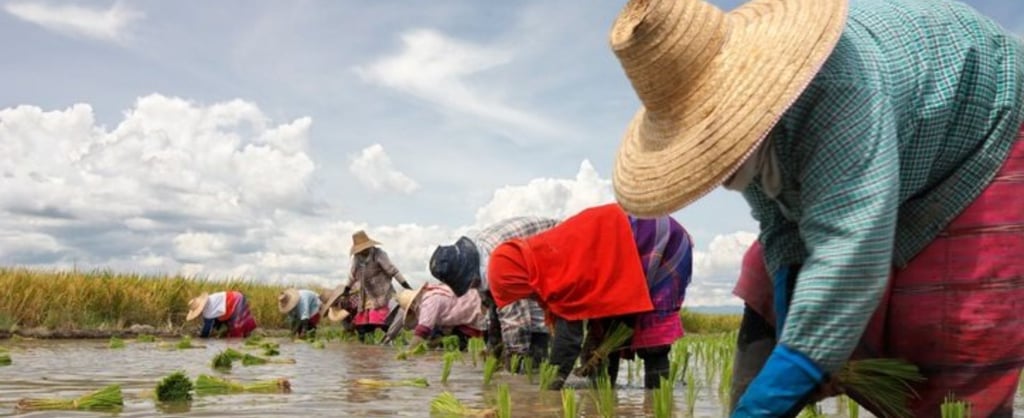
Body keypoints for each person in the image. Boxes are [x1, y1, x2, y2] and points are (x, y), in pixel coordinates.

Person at [605, 0, 1024, 415]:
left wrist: (780, 388)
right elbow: (781, 231)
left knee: (947, 334)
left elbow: (851, 259)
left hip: (981, 126)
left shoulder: (840, 89)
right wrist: (791, 323)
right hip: (889, 146)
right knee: (763, 285)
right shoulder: (749, 141)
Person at [488, 203, 693, 390]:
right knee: (606, 335)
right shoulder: (544, 260)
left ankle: (656, 403)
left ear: (522, 279)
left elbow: (569, 337)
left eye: (525, 293)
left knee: (653, 344)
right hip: (621, 248)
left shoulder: (560, 270)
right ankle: (605, 395)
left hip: (657, 240)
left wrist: (550, 388)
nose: (532, 298)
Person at [428, 216, 559, 371]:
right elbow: (490, 305)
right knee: (498, 323)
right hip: (528, 260)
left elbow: (516, 320)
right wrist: (493, 344)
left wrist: (514, 360)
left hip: (554, 250)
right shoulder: (476, 256)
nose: (471, 287)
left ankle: (535, 369)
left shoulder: (498, 265)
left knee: (534, 329)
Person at [344, 230, 413, 338]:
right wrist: (346, 290)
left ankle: (394, 338)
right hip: (366, 295)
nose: (363, 251)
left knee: (383, 322)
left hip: (382, 294)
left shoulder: (378, 254)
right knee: (363, 327)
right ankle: (366, 346)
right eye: (361, 250)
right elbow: (352, 276)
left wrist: (406, 286)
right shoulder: (357, 258)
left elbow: (393, 271)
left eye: (364, 249)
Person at [391, 283, 486, 349]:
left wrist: (409, 353)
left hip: (477, 307)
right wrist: (431, 344)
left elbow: (422, 330)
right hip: (469, 310)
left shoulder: (429, 301)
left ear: (412, 306)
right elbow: (446, 325)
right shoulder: (432, 294)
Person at [186, 291, 257, 338]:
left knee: (236, 326)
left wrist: (202, 338)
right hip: (237, 295)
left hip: (235, 301)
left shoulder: (207, 313)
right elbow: (216, 321)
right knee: (241, 320)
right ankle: (247, 334)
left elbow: (206, 329)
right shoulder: (211, 298)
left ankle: (242, 336)